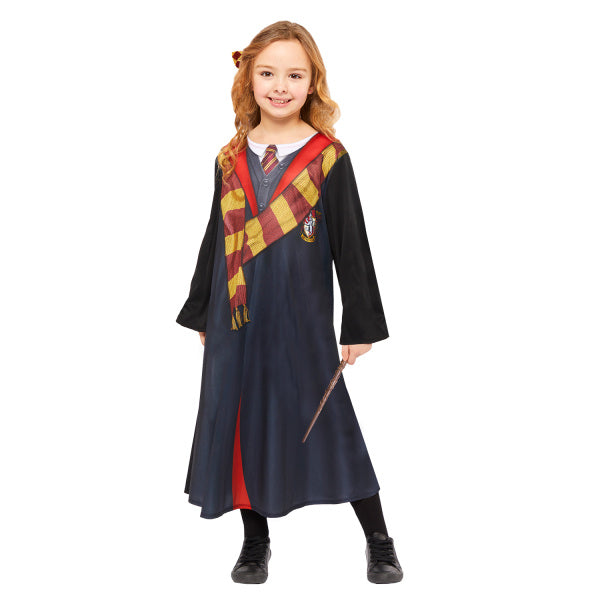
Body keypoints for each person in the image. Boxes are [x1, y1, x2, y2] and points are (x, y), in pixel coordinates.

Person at [176, 20, 403, 585]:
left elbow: (351, 242)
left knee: (330, 421)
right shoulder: (230, 157)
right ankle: (255, 541)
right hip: (236, 316)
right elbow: (216, 237)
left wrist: (359, 323)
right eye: (268, 73)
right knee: (241, 420)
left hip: (301, 320)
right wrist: (202, 309)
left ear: (312, 82)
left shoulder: (328, 158)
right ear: (249, 80)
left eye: (295, 75)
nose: (280, 86)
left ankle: (378, 538)